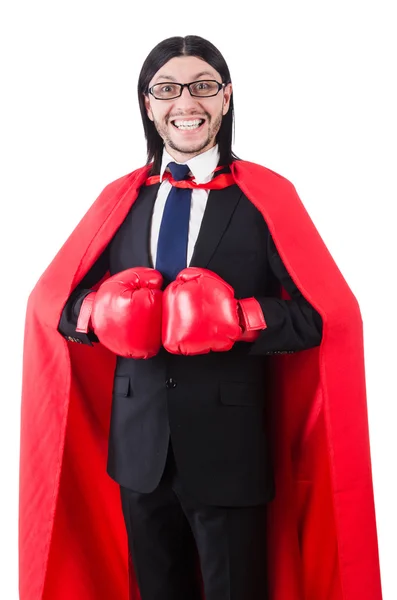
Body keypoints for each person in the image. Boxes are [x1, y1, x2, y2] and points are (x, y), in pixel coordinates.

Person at [19, 35, 382, 600]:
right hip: (138, 456)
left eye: (203, 87)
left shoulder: (265, 197)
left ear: (226, 97)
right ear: (148, 104)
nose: (185, 101)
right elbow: (52, 304)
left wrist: (241, 319)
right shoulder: (121, 201)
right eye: (167, 88)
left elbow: (324, 316)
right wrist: (96, 312)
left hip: (229, 454)